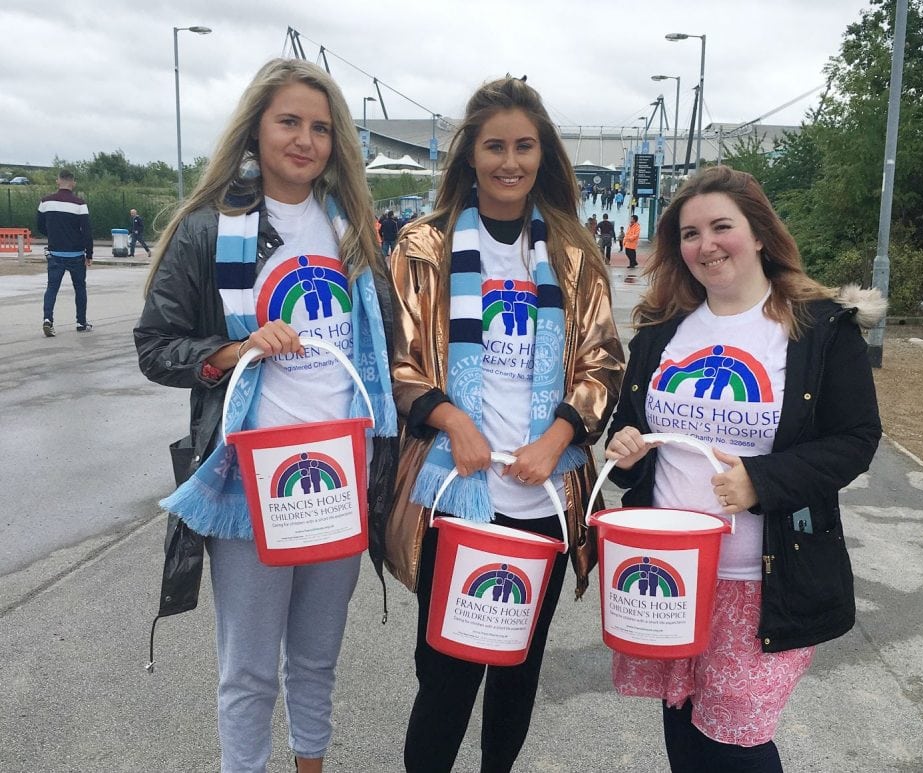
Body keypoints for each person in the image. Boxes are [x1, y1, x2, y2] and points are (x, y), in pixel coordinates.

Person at [133, 58, 397, 773]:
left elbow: (387, 349)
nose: (305, 140)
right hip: (252, 478)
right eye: (289, 121)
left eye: (320, 127)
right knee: (248, 671)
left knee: (316, 657)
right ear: (257, 126)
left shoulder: (355, 235)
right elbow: (155, 347)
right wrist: (232, 348)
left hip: (340, 474)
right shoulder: (210, 229)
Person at [603, 165, 885, 773]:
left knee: (733, 742)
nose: (705, 245)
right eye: (688, 233)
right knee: (682, 725)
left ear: (758, 233)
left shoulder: (818, 329)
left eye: (721, 227)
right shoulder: (661, 330)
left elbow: (857, 439)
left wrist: (761, 480)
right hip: (669, 566)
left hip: (760, 579)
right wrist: (625, 449)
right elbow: (631, 430)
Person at [386, 75, 624, 773]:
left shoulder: (574, 254)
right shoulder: (423, 246)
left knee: (517, 669)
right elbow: (399, 362)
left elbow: (605, 364)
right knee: (447, 675)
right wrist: (452, 419)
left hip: (545, 499)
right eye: (495, 146)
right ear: (470, 156)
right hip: (453, 498)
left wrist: (558, 438)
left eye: (524, 146)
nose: (510, 161)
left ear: (543, 155)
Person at [37, 169, 93, 336]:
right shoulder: (80, 204)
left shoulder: (45, 202)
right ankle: (81, 322)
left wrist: (53, 235)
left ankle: (48, 320)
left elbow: (40, 226)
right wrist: (89, 253)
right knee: (80, 288)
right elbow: (87, 231)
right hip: (76, 254)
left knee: (52, 288)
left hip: (55, 253)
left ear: (58, 181)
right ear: (73, 183)